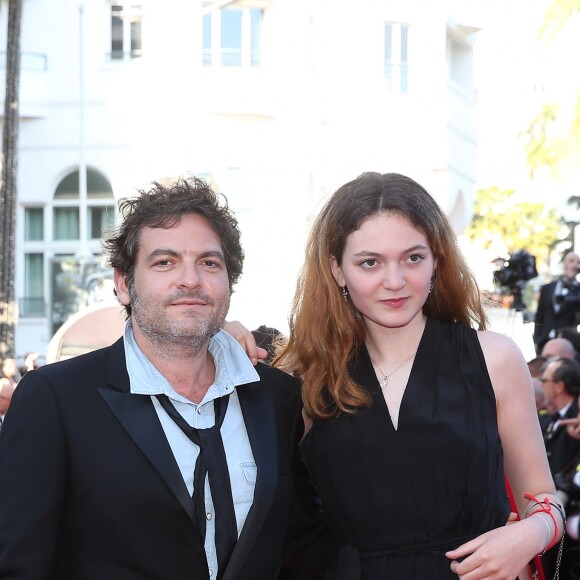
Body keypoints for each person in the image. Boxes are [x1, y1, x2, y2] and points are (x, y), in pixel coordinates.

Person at [0, 176, 328, 579]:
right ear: (123, 284)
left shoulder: (277, 398)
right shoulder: (56, 399)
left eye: (209, 263)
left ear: (229, 281)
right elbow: (18, 564)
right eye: (165, 262)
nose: (190, 279)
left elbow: (302, 547)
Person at [272, 172, 563, 579]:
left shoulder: (495, 359)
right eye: (370, 262)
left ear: (436, 260)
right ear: (337, 269)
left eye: (413, 258)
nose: (395, 281)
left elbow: (544, 497)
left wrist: (532, 533)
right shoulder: (306, 377)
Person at [534, 251, 580, 354]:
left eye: (578, 262)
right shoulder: (547, 288)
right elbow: (539, 315)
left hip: (568, 344)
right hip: (544, 342)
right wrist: (537, 339)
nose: (574, 265)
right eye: (571, 261)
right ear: (564, 264)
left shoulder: (578, 290)